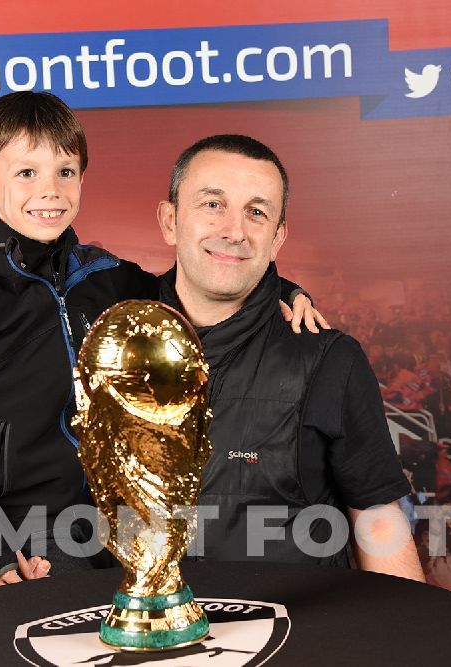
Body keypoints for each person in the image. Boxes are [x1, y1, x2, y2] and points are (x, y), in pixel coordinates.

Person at [0, 93, 323, 589]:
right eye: (26, 173)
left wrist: (283, 290)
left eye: (66, 172)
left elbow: (194, 286)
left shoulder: (103, 275)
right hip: (33, 535)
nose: (50, 190)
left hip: (128, 515)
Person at [155, 134, 423, 579]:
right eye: (212, 204)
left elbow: (378, 519)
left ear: (277, 238)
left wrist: (409, 623)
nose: (234, 231)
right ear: (170, 221)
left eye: (256, 213)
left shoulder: (329, 359)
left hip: (295, 622)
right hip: (135, 619)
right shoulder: (106, 339)